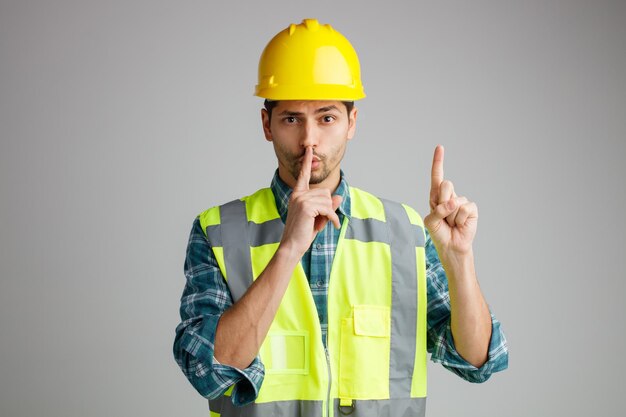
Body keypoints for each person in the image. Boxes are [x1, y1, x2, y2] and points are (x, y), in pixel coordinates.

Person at [173, 18, 508, 417]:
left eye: (327, 118)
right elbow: (207, 370)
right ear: (267, 125)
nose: (310, 139)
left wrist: (460, 261)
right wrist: (288, 250)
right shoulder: (219, 232)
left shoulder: (405, 232)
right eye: (292, 118)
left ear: (352, 123)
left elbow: (476, 360)